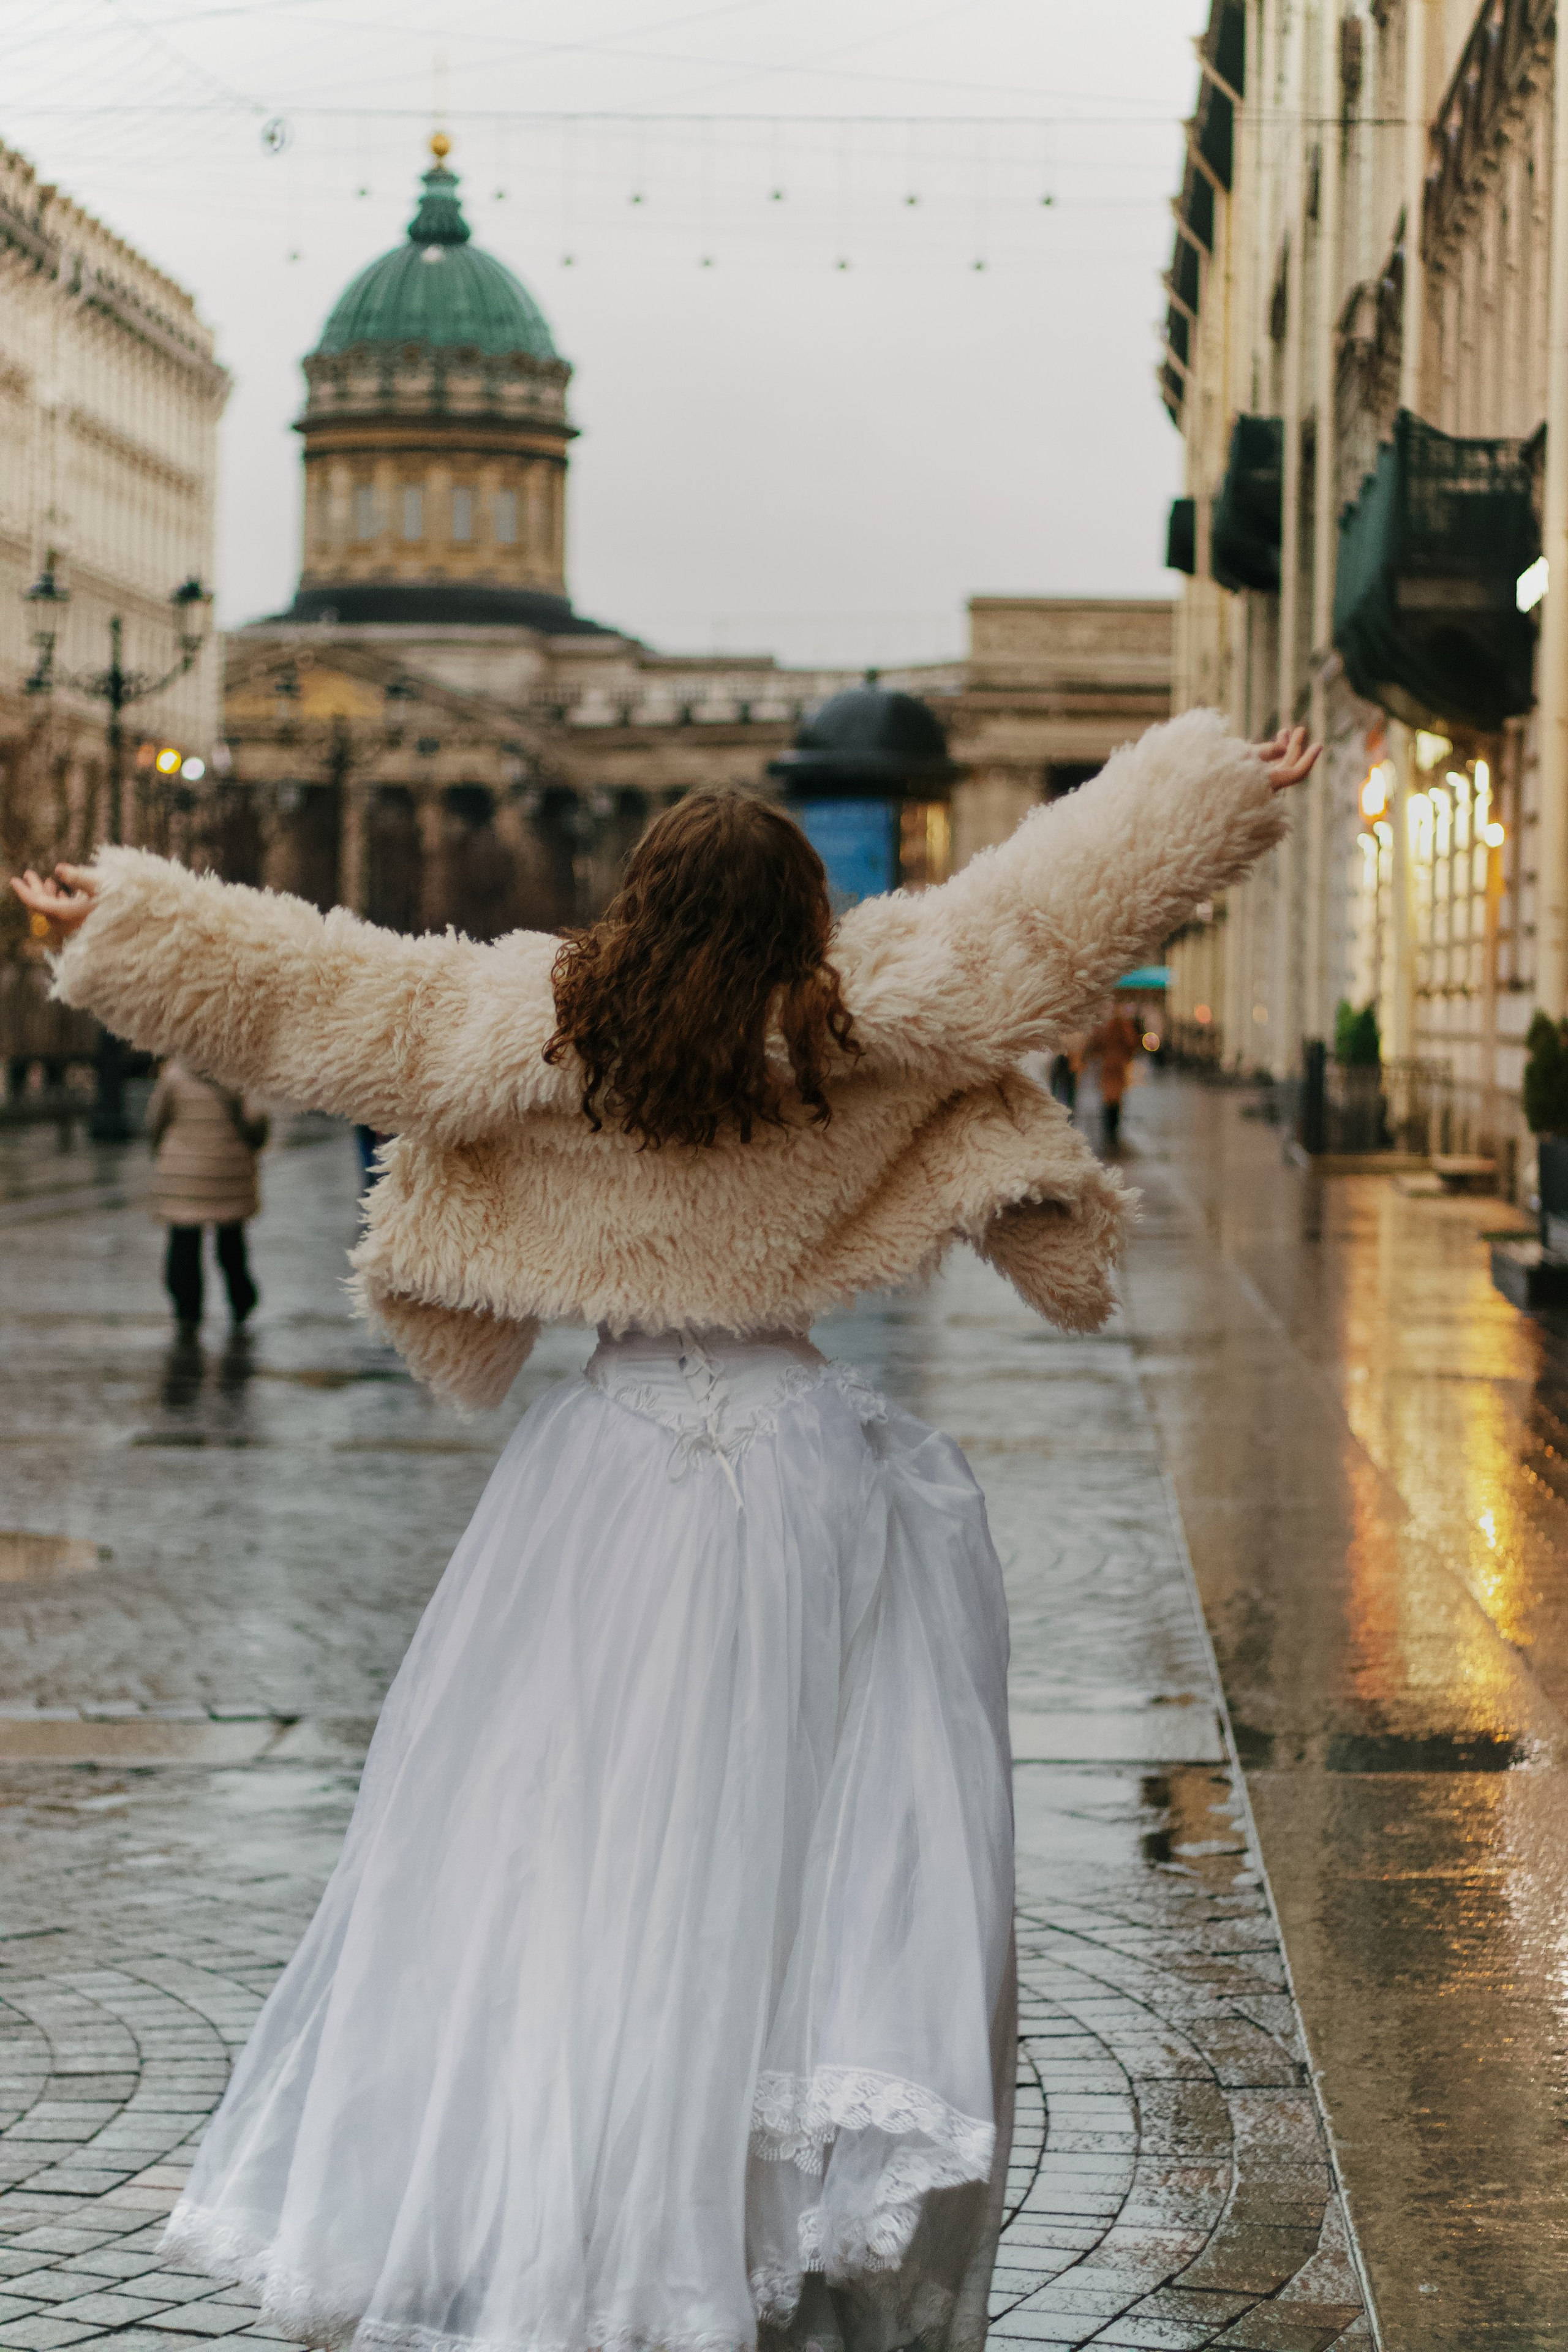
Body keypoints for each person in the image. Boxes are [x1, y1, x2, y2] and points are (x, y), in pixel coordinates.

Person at [12, 712, 1318, 2352]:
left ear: (636, 906)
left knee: (567, 1851)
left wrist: (118, 923)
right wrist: (1211, 791)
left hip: (608, 1472)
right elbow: (1046, 918)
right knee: (796, 1860)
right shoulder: (869, 1027)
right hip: (801, 1475)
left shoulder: (540, 1030)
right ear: (802, 923)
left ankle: (602, 2200)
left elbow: (318, 996)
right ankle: (758, 2203)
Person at [145, 1058, 268, 1332]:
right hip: (228, 1172)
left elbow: (156, 1121)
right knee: (232, 1245)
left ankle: (187, 1310)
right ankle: (240, 1299)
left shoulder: (174, 1075)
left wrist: (159, 1154)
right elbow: (255, 1122)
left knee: (183, 1244)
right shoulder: (237, 1075)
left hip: (183, 1176)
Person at [1084, 1005, 1145, 1152]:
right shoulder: (1125, 1027)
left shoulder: (1107, 1028)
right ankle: (1113, 1130)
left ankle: (1109, 1130)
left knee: (1108, 1098)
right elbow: (1133, 1045)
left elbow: (1095, 1045)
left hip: (1108, 1067)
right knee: (1116, 1099)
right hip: (1118, 1068)